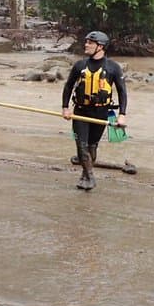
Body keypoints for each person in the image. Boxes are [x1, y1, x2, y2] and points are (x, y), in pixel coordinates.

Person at [61, 30, 128, 191]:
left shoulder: (113, 68)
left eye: (90, 43)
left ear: (101, 46)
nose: (86, 45)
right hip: (81, 112)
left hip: (101, 113)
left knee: (92, 146)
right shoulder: (80, 65)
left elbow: (122, 92)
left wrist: (122, 115)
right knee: (81, 146)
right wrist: (65, 108)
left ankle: (85, 173)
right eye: (87, 42)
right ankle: (90, 177)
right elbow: (68, 86)